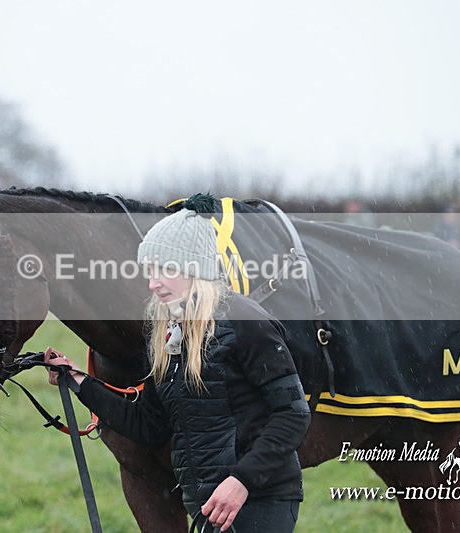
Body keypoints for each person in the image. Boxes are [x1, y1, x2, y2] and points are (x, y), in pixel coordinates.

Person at [45, 194, 311, 532]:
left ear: (195, 268)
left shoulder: (246, 322)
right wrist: (80, 383)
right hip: (207, 503)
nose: (154, 283)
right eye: (150, 271)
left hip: (258, 500)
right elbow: (151, 425)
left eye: (166, 270)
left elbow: (293, 414)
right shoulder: (168, 333)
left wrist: (241, 482)